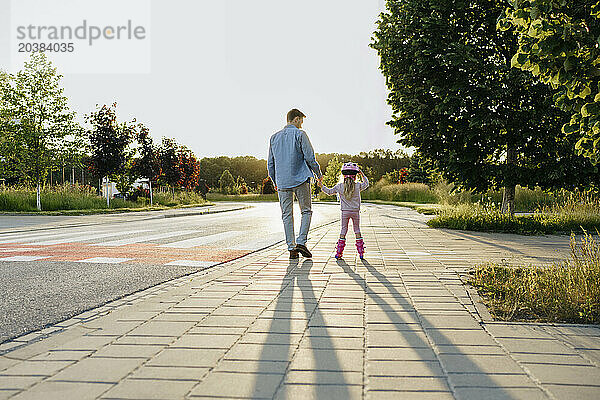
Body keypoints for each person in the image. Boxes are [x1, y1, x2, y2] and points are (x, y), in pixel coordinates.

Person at [268, 109, 323, 259]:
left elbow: (270, 164)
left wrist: (275, 181)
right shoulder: (300, 134)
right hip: (300, 179)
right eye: (301, 122)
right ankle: (301, 242)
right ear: (296, 119)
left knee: (287, 215)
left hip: (283, 182)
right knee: (306, 211)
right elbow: (310, 157)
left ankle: (292, 249)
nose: (301, 125)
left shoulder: (274, 138)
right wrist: (319, 175)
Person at [317, 162, 369, 259]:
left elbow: (329, 192)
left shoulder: (339, 186)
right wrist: (362, 174)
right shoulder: (357, 186)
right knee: (357, 230)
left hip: (345, 212)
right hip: (355, 212)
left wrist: (321, 186)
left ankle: (339, 253)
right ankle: (361, 253)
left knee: (343, 230)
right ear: (355, 176)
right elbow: (366, 184)